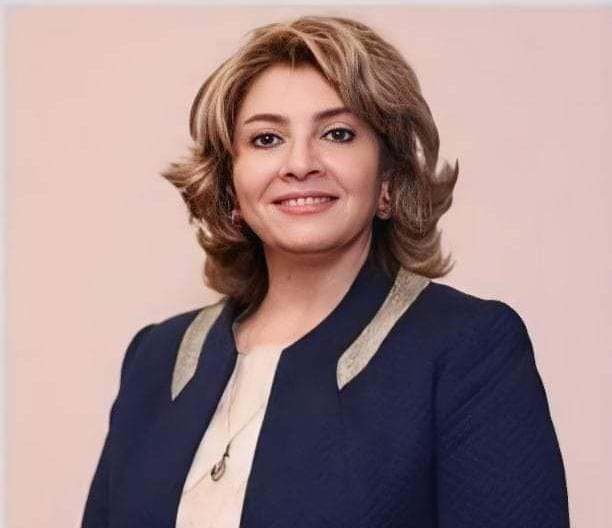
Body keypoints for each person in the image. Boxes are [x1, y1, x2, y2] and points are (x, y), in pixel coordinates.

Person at [81, 15, 570, 528]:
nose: (300, 163)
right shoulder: (157, 357)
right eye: (266, 139)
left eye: (338, 133)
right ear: (230, 186)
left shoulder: (466, 349)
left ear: (387, 179)